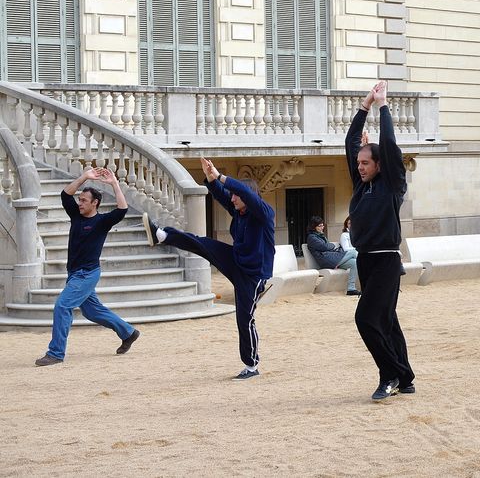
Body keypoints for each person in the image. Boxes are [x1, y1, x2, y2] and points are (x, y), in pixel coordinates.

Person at [143, 157, 275, 380]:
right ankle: (163, 235)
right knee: (203, 243)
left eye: (236, 195)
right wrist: (212, 180)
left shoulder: (263, 214)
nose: (232, 198)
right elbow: (223, 197)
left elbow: (244, 193)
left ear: (247, 196)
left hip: (253, 276)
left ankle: (251, 366)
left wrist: (222, 176)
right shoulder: (239, 212)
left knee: (244, 319)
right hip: (236, 261)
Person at [346, 80, 415, 402]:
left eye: (365, 163)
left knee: (366, 318)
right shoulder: (361, 187)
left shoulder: (392, 185)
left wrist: (383, 105)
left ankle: (389, 374)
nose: (359, 167)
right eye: (358, 163)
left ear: (378, 165)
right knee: (387, 320)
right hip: (366, 260)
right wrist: (364, 106)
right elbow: (350, 143)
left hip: (387, 259)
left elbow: (389, 143)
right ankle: (406, 376)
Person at [35, 167, 140, 366]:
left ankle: (56, 353)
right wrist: (84, 177)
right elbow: (65, 194)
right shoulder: (75, 215)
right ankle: (128, 332)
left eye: (84, 200)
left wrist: (114, 183)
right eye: (80, 200)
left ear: (95, 203)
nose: (79, 203)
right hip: (74, 273)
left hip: (87, 274)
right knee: (92, 312)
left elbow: (122, 209)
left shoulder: (102, 222)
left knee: (62, 306)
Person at [306, 216, 360, 296]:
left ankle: (351, 288)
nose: (322, 228)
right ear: (313, 227)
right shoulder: (312, 237)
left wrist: (328, 246)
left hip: (332, 258)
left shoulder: (320, 236)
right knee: (353, 252)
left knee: (354, 263)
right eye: (319, 226)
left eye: (322, 225)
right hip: (326, 260)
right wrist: (330, 245)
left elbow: (327, 246)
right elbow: (325, 247)